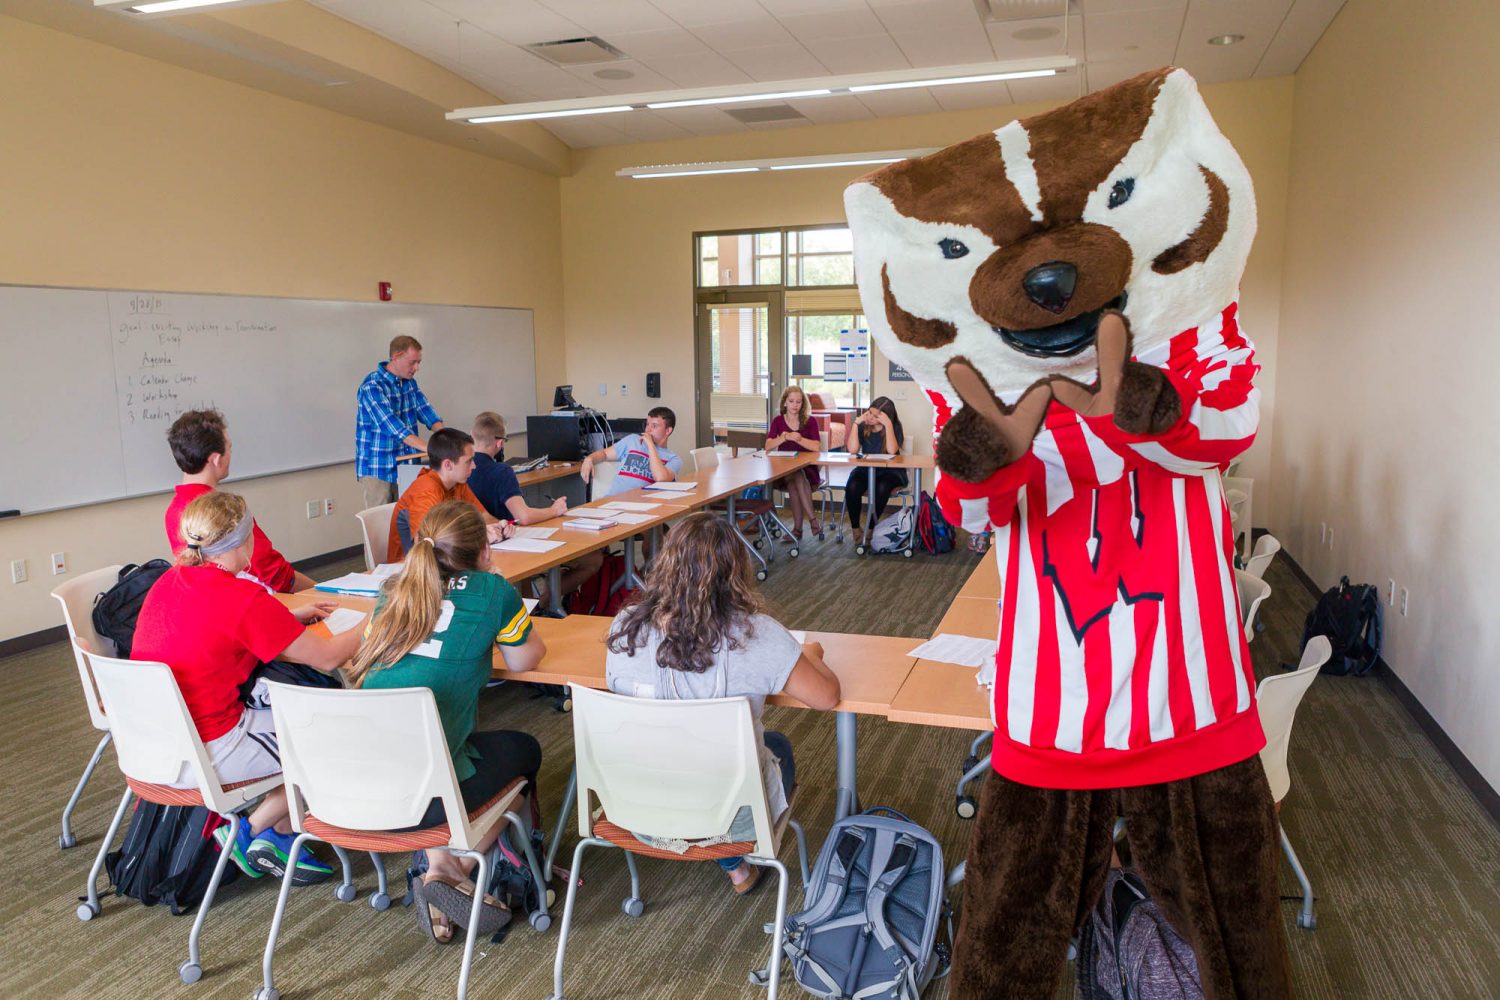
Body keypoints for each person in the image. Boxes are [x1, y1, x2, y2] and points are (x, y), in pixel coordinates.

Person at [131, 492, 361, 885]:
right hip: (214, 748)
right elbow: (327, 658)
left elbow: (216, 625)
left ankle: (283, 834)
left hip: (154, 742)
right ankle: (252, 831)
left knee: (306, 723)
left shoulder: (169, 581)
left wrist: (284, 617)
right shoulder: (241, 597)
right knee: (340, 729)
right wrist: (378, 622)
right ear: (244, 538)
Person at [605, 512, 840, 894]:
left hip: (639, 804)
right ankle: (731, 859)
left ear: (665, 563)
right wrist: (808, 654)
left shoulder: (626, 625)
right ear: (736, 570)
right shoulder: (757, 635)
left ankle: (735, 868)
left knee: (682, 748)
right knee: (772, 746)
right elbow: (827, 696)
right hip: (729, 813)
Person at [350, 501, 547, 942]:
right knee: (526, 754)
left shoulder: (392, 590)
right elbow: (523, 660)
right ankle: (452, 865)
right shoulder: (493, 591)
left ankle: (437, 868)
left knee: (439, 746)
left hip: (355, 784)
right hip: (428, 791)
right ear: (484, 552)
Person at [163, 409, 314, 593]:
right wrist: (316, 589)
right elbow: (273, 572)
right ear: (216, 459)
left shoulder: (174, 510)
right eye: (229, 448)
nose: (231, 454)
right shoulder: (224, 512)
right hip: (251, 602)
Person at [470, 412, 601, 602]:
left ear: (472, 435)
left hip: (483, 545)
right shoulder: (501, 471)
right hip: (510, 544)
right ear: (499, 443)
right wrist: (554, 509)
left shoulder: (463, 469)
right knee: (593, 559)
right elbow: (524, 516)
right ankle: (545, 602)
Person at [387, 428, 512, 562]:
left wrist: (501, 526)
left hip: (446, 559)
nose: (474, 466)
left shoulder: (457, 483)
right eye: (469, 461)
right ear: (448, 465)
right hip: (413, 568)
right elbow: (430, 542)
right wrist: (481, 537)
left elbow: (483, 516)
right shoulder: (425, 492)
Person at [356, 335, 444, 512]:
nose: (417, 368)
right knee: (380, 528)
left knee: (408, 522)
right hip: (378, 469)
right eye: (412, 362)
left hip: (407, 466)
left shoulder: (410, 384)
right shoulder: (372, 386)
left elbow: (427, 412)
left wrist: (447, 439)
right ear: (396, 357)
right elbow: (393, 427)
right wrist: (432, 449)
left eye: (419, 362)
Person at [844, 396, 907, 547]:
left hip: (891, 472)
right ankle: (855, 528)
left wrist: (889, 426)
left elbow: (892, 451)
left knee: (882, 487)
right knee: (852, 486)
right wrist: (856, 423)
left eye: (875, 415)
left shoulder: (894, 426)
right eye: (870, 413)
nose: (870, 417)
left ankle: (871, 528)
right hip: (866, 470)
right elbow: (852, 450)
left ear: (886, 416)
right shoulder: (863, 426)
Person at [580, 406, 681, 498]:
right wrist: (589, 459)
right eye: (647, 424)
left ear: (668, 431)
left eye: (654, 426)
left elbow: (660, 478)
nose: (648, 429)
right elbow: (605, 454)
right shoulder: (632, 440)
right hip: (612, 499)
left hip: (642, 505)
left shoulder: (673, 458)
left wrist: (650, 445)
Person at [765, 386, 823, 540]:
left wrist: (799, 438)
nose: (795, 405)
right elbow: (768, 446)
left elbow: (816, 447)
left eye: (798, 402)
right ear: (785, 402)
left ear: (802, 404)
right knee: (793, 476)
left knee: (796, 477)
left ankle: (798, 530)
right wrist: (783, 438)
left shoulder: (810, 421)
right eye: (791, 401)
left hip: (808, 471)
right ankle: (812, 520)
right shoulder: (778, 421)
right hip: (783, 470)